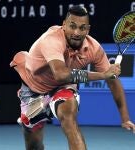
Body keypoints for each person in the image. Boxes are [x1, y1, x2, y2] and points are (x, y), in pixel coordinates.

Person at [10, 5, 135, 150]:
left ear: (87, 29)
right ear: (64, 25)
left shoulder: (94, 48)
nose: (77, 32)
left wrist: (125, 118)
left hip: (62, 87)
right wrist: (102, 75)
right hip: (33, 89)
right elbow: (61, 74)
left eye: (82, 28)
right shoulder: (51, 40)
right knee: (34, 145)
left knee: (69, 118)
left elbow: (113, 81)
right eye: (72, 26)